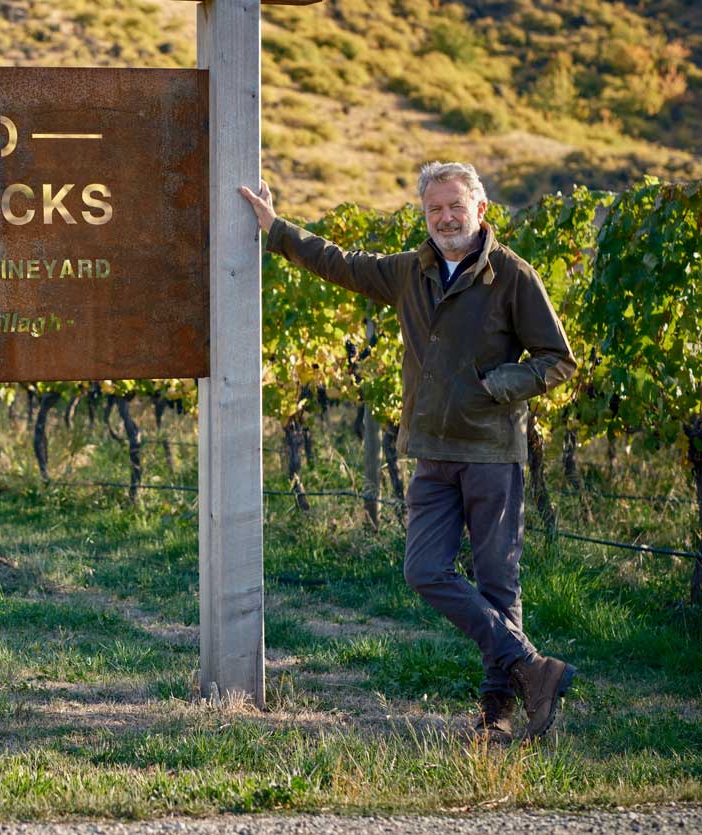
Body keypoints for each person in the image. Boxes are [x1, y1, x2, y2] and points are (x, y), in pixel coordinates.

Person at [239, 162, 577, 743]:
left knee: (498, 585)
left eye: (455, 206)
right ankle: (532, 666)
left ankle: (496, 714)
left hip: (491, 451)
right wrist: (277, 228)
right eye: (434, 209)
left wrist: (496, 385)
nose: (445, 218)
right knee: (423, 570)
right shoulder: (409, 271)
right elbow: (340, 263)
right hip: (431, 452)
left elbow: (558, 360)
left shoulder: (513, 275)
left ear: (480, 210)